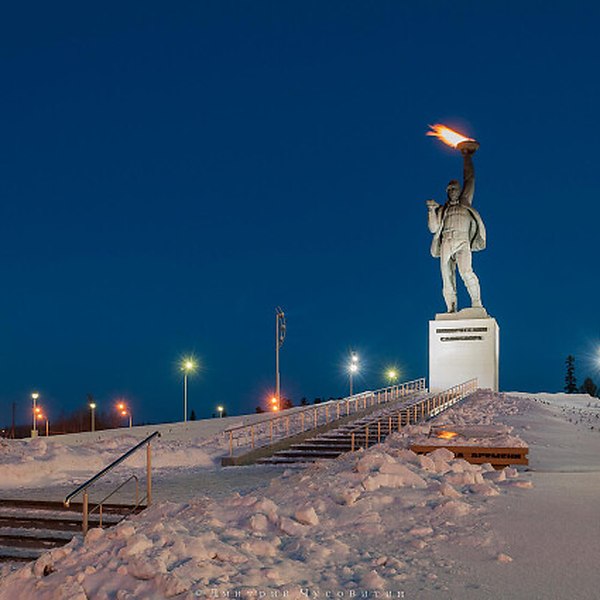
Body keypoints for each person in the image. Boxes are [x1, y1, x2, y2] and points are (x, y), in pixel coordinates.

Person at [426, 144, 486, 313]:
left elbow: (470, 178)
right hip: (446, 240)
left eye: (455, 188)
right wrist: (431, 211)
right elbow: (433, 228)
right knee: (447, 276)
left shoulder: (465, 201)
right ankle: (451, 307)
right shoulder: (442, 209)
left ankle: (476, 302)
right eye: (450, 189)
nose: (453, 191)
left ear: (460, 191)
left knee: (466, 271)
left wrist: (466, 156)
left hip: (462, 240)